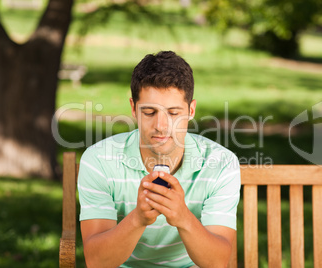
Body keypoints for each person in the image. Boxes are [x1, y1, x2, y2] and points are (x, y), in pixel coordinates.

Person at [77, 51, 241, 268]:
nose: (161, 126)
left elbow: (217, 262)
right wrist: (138, 219)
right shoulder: (99, 160)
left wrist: (183, 217)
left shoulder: (221, 163)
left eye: (173, 113)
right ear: (134, 109)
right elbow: (97, 262)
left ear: (191, 110)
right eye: (150, 112)